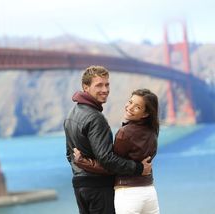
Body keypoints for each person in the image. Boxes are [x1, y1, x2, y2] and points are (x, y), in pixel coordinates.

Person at [64, 65, 152, 214]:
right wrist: (138, 168)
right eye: (99, 85)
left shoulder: (71, 115)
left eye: (107, 84)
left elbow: (69, 155)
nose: (105, 89)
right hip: (99, 188)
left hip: (80, 187)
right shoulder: (96, 118)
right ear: (86, 87)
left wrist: (82, 168)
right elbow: (107, 158)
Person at [74, 88, 160, 214]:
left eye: (137, 107)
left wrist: (82, 162)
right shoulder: (153, 132)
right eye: (130, 102)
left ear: (145, 114)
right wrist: (140, 168)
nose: (130, 107)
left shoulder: (124, 133)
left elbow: (111, 165)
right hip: (149, 192)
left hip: (129, 194)